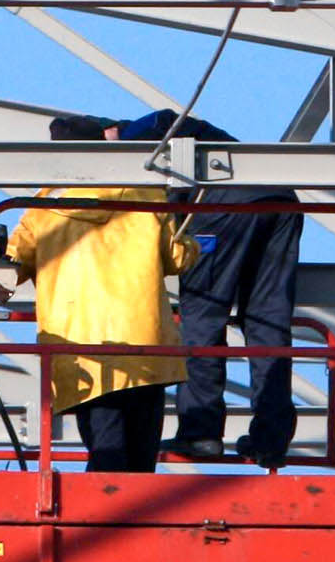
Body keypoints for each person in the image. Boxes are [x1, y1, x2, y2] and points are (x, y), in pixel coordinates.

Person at [6, 114, 190, 474]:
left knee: (106, 457)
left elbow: (5, 271)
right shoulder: (144, 193)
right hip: (146, 347)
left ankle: (104, 521)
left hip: (84, 349)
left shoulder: (43, 209)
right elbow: (179, 257)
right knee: (140, 466)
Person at [118, 109, 302, 469]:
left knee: (202, 314)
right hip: (279, 198)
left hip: (224, 203)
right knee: (268, 320)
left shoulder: (135, 136)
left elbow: (163, 119)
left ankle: (201, 431)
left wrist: (120, 136)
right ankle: (271, 437)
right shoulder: (202, 139)